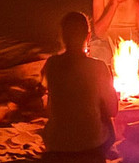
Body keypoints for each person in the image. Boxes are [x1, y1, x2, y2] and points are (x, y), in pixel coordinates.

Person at [41, 12, 119, 154]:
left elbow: (48, 103)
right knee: (107, 116)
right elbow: (113, 110)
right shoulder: (99, 66)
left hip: (56, 144)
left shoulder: (51, 64)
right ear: (88, 37)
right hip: (92, 144)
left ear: (62, 36)